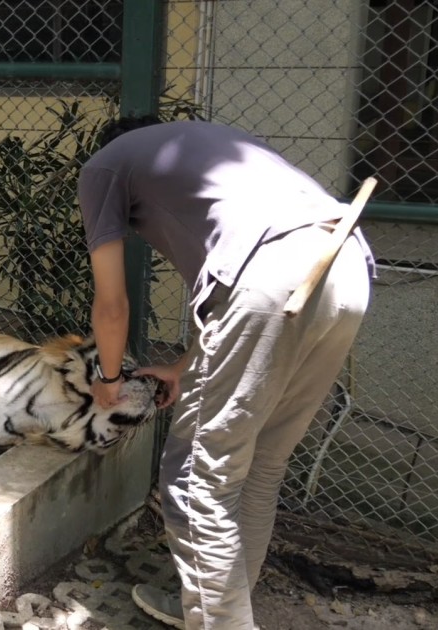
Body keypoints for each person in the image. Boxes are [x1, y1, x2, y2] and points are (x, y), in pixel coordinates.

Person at [78, 118, 374, 629]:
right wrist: (181, 366)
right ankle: (219, 610)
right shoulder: (214, 143)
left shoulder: (105, 164)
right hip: (348, 265)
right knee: (260, 468)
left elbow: (111, 304)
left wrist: (107, 379)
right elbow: (235, 304)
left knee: (197, 481)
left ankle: (221, 620)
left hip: (272, 275)